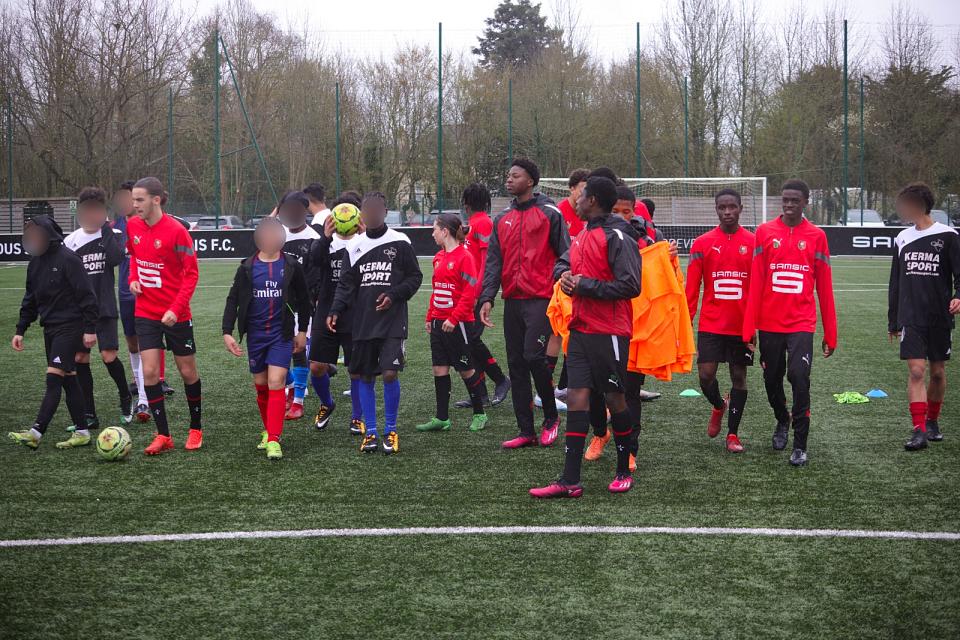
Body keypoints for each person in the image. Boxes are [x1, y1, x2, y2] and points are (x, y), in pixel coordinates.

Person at [530, 176, 641, 498]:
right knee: (577, 397)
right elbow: (565, 262)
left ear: (592, 200)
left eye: (580, 195)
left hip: (610, 332)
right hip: (579, 329)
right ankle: (570, 480)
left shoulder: (619, 235)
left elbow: (631, 285)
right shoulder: (580, 235)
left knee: (614, 399)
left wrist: (584, 285)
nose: (575, 200)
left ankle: (623, 469)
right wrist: (562, 275)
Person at [742, 179, 837, 467]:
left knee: (799, 377)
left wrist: (830, 332)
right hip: (769, 323)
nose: (789, 204)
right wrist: (749, 328)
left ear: (806, 202)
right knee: (771, 380)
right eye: (785, 199)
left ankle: (800, 444)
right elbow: (756, 282)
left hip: (801, 324)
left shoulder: (817, 236)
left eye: (795, 200)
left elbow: (825, 286)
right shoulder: (765, 232)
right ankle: (782, 420)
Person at [479, 158, 569, 449]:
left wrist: (559, 279)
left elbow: (566, 255)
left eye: (515, 175)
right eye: (508, 175)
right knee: (517, 364)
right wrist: (487, 297)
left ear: (530, 181)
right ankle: (526, 430)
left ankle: (552, 417)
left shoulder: (550, 214)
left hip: (541, 299)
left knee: (533, 357)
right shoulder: (502, 218)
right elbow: (494, 261)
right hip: (513, 301)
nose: (509, 179)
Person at [327, 192, 423, 454]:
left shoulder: (400, 242)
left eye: (375, 209)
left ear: (384, 211)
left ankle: (390, 431)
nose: (371, 214)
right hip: (363, 322)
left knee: (390, 373)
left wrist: (393, 295)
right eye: (366, 211)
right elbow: (346, 284)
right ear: (361, 215)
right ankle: (370, 432)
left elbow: (415, 277)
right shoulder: (354, 247)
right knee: (366, 375)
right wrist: (336, 309)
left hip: (392, 321)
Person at [222, 217, 312, 460]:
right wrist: (227, 332)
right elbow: (233, 300)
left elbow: (305, 301)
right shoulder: (247, 267)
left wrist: (302, 331)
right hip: (256, 335)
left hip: (281, 335)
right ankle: (268, 430)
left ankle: (274, 439)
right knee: (261, 386)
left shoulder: (291, 265)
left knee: (276, 381)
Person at [9, 215, 99, 450]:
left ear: (48, 235)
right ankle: (82, 432)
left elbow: (87, 296)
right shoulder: (35, 264)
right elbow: (30, 300)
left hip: (70, 327)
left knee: (53, 379)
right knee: (69, 380)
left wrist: (90, 329)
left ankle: (36, 432)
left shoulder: (69, 259)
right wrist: (21, 329)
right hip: (50, 328)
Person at [127, 177, 203, 455]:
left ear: (156, 200)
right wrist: (133, 279)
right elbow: (134, 256)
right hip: (145, 310)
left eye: (139, 200)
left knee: (187, 371)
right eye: (133, 199)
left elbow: (191, 274)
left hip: (176, 313)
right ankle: (164, 435)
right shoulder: (133, 225)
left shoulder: (177, 232)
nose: (134, 205)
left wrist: (175, 308)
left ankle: (195, 428)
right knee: (148, 371)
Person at [887, 182, 960, 451]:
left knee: (938, 373)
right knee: (917, 371)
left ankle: (933, 420)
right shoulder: (902, 238)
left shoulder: (949, 235)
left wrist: (958, 296)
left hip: (939, 316)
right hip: (911, 315)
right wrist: (893, 320)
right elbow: (895, 281)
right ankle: (918, 430)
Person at [686, 188, 756, 453]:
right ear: (716, 210)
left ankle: (733, 434)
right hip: (711, 324)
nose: (727, 212)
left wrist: (754, 325)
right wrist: (685, 322)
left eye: (732, 207)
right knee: (705, 376)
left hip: (741, 325)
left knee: (739, 376)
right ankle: (718, 405)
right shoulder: (702, 243)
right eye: (722, 208)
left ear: (740, 209)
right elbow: (691, 289)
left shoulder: (752, 243)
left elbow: (758, 288)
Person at [63, 187, 131, 431]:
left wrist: (104, 230)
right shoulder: (70, 241)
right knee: (81, 358)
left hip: (104, 308)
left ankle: (125, 397)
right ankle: (89, 413)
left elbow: (115, 259)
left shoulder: (113, 233)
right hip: (79, 311)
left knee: (108, 356)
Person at [417, 214, 489, 433]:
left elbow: (470, 294)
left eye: (435, 229)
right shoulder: (438, 257)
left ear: (445, 231)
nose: (432, 233)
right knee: (439, 368)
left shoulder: (465, 257)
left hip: (458, 324)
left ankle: (480, 413)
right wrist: (431, 316)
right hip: (439, 323)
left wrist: (453, 318)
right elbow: (437, 289)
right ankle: (442, 418)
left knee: (466, 369)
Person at [308, 195, 365, 434]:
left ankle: (357, 416)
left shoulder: (365, 243)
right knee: (317, 367)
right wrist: (325, 236)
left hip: (355, 312)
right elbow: (313, 261)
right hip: (325, 311)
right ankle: (327, 403)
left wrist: (364, 237)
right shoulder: (324, 243)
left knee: (356, 369)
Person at [453, 183, 510, 409]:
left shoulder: (484, 223)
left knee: (472, 340)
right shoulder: (473, 224)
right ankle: (481, 394)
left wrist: (479, 291)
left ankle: (501, 380)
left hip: (476, 293)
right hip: (469, 292)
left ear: (466, 204)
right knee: (468, 341)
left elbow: (489, 260)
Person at [275, 190, 321, 420]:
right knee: (275, 354)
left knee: (298, 352)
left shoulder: (314, 239)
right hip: (276, 304)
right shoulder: (277, 235)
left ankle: (298, 402)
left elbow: (315, 276)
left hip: (302, 306)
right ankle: (290, 387)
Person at [112, 181, 150, 422]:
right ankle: (142, 394)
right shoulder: (113, 228)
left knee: (148, 345)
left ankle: (144, 399)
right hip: (125, 295)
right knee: (133, 346)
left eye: (132, 199)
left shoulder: (147, 224)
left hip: (148, 295)